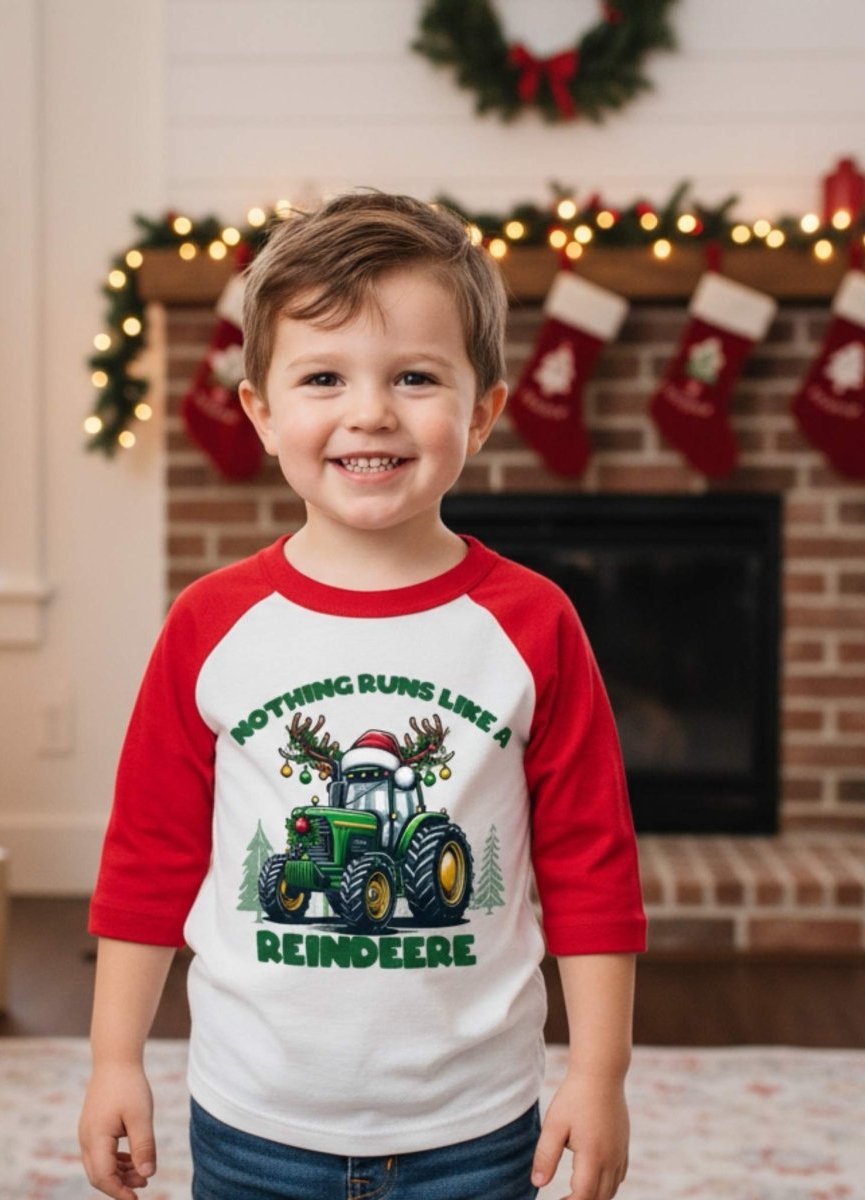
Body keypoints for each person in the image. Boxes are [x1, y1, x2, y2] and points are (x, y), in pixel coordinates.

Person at [79, 189, 647, 1200]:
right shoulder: (213, 625)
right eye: (324, 377)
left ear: (482, 411)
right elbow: (150, 853)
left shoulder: (533, 625)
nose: (371, 412)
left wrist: (598, 1075)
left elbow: (591, 866)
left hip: (473, 1128)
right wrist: (115, 1060)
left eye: (416, 376)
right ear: (261, 412)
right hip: (254, 1121)